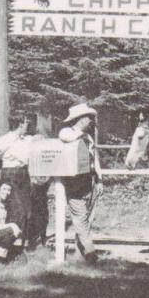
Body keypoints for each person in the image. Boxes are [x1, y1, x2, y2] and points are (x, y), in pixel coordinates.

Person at [59, 103, 103, 264]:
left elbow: (94, 159)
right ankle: (91, 254)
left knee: (86, 218)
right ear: (80, 119)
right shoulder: (67, 132)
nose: (90, 121)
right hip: (74, 181)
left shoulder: (88, 137)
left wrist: (99, 180)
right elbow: (66, 137)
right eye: (88, 117)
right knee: (80, 218)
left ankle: (80, 253)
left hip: (89, 181)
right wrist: (82, 135)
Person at [0, 114, 34, 250]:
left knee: (26, 210)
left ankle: (20, 244)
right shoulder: (6, 139)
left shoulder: (27, 140)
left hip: (24, 175)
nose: (27, 125)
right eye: (25, 122)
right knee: (16, 209)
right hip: (10, 176)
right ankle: (10, 245)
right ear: (20, 123)